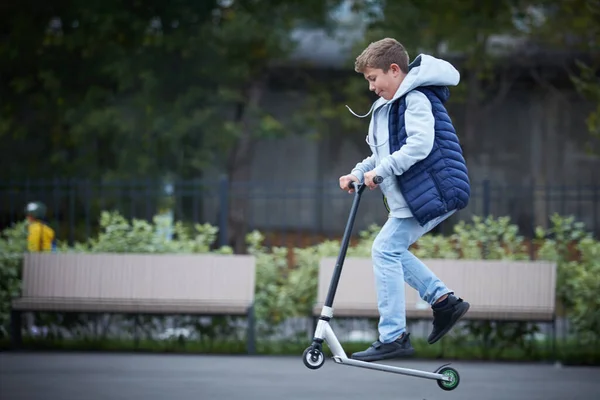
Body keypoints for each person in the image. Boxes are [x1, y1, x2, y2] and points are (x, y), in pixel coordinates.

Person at [338, 38, 471, 362]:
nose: (371, 87)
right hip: (413, 195)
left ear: (394, 70)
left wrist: (380, 172)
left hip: (438, 188)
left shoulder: (416, 98)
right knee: (390, 250)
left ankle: (394, 335)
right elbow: (379, 154)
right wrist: (358, 172)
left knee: (385, 250)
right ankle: (442, 301)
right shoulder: (384, 108)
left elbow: (419, 146)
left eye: (373, 78)